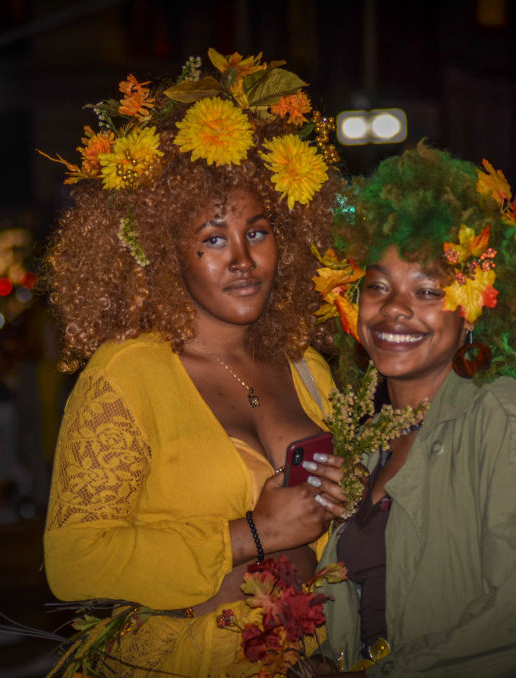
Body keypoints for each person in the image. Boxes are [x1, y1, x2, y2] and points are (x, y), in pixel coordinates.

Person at [41, 50, 347, 676]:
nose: (242, 260)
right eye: (212, 240)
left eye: (256, 233)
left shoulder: (310, 368)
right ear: (163, 252)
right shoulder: (126, 374)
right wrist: (251, 535)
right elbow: (74, 562)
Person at [315, 144, 516, 676]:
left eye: (428, 290)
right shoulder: (361, 442)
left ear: (475, 311)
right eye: (377, 286)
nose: (394, 307)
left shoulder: (507, 414)